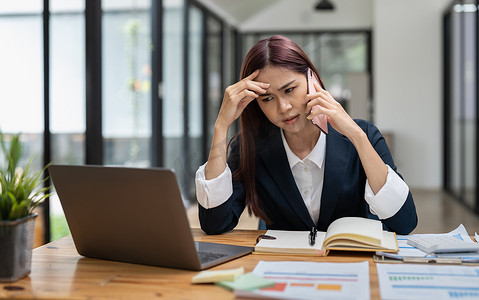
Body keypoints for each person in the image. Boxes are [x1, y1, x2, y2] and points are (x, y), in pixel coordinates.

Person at [195, 35, 417, 235]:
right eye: (267, 99)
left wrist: (356, 137)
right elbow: (215, 224)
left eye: (289, 90)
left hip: (350, 266)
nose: (283, 107)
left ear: (313, 81)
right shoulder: (249, 147)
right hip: (282, 268)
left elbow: (405, 223)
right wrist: (221, 127)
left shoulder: (364, 134)